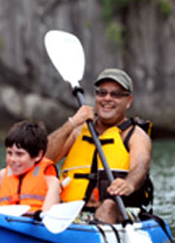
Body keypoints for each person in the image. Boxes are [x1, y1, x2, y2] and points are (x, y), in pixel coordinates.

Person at [45, 68, 153, 224]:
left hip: (119, 212)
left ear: (128, 101)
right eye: (102, 93)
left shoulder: (135, 135)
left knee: (108, 206)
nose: (107, 99)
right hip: (72, 213)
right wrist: (71, 123)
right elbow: (43, 158)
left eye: (115, 94)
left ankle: (96, 242)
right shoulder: (78, 130)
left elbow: (141, 166)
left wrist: (129, 183)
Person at [0, 120, 60, 217]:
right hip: (5, 223)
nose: (12, 159)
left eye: (19, 154)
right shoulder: (2, 176)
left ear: (38, 155)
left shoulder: (51, 182)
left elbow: (47, 216)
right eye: (9, 153)